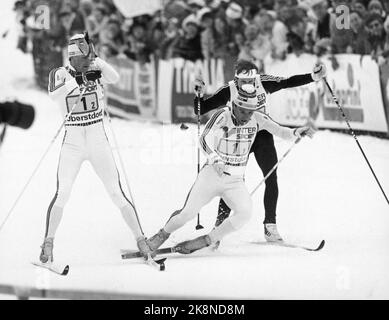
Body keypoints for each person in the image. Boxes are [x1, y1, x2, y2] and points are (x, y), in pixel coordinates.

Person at [145, 95, 315, 254]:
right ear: (234, 105)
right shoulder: (222, 115)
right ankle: (160, 235)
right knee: (187, 213)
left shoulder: (257, 117)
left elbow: (280, 131)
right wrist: (214, 158)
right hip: (212, 175)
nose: (246, 116)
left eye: (250, 112)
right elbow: (204, 139)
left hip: (235, 181)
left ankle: (208, 240)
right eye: (243, 111)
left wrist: (296, 132)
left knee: (245, 213)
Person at [39, 33, 152, 264]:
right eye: (84, 58)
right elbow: (54, 94)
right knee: (63, 192)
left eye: (90, 56)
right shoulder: (59, 73)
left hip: (97, 138)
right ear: (73, 58)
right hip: (73, 142)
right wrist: (80, 80)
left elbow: (115, 77)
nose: (88, 61)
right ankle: (48, 242)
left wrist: (97, 61)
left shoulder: (95, 68)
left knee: (116, 191)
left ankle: (141, 238)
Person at [191, 59, 326, 242]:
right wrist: (199, 95)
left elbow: (287, 82)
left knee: (271, 177)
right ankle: (219, 227)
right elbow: (201, 109)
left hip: (262, 134)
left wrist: (313, 77)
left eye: (252, 81)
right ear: (236, 79)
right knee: (233, 179)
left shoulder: (263, 82)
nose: (248, 85)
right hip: (239, 137)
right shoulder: (228, 90)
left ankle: (270, 227)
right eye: (244, 82)